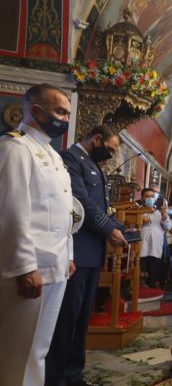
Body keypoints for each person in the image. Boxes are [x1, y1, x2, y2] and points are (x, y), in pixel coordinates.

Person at [0, 84, 75, 385]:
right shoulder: (15, 148)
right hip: (30, 269)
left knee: (37, 350)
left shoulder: (53, 155)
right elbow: (11, 212)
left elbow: (64, 211)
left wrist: (68, 256)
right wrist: (24, 267)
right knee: (17, 351)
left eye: (68, 114)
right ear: (36, 110)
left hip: (55, 265)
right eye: (60, 112)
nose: (65, 119)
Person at [45, 125, 128, 386]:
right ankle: (57, 377)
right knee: (67, 319)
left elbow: (103, 207)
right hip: (77, 253)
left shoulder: (93, 165)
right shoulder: (71, 158)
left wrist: (122, 228)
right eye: (110, 150)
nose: (110, 155)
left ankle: (74, 374)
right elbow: (81, 201)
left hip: (93, 254)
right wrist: (109, 229)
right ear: (97, 139)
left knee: (82, 320)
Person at [140, 188, 172, 288]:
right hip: (141, 248)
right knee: (141, 274)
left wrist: (164, 215)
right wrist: (140, 218)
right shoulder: (138, 212)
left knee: (152, 276)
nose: (150, 198)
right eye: (147, 196)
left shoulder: (159, 213)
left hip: (155, 249)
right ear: (142, 198)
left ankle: (151, 291)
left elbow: (168, 227)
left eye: (152, 196)